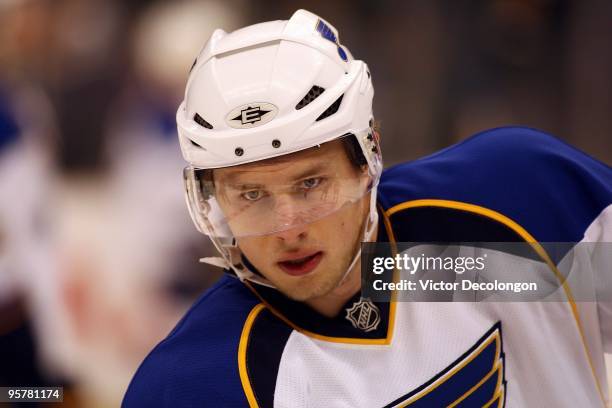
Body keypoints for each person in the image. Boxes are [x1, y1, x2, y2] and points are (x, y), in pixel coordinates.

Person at [123, 9, 612, 407]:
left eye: (311, 183)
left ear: (368, 156)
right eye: (251, 195)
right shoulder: (195, 385)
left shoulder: (517, 205)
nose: (287, 227)